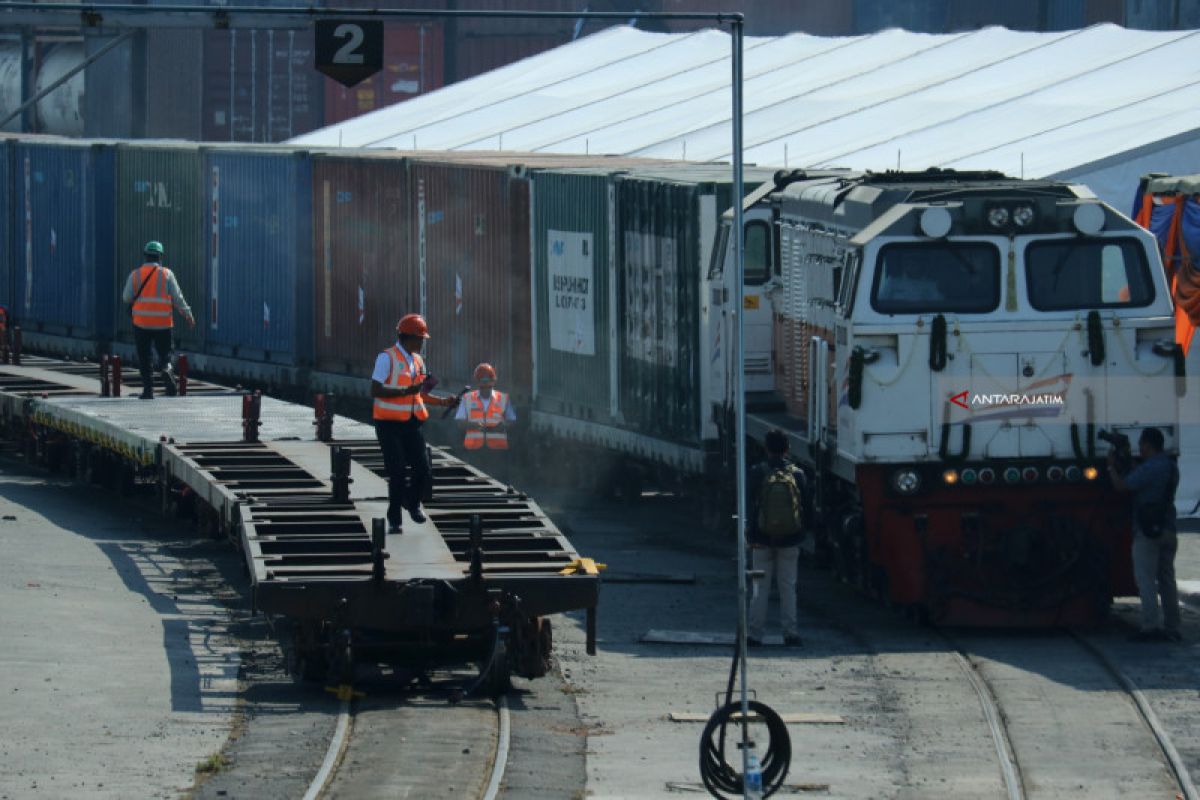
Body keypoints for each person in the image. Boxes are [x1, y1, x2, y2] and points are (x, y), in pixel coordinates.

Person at [372, 314, 458, 533]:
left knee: (423, 469)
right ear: (407, 337)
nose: (422, 343)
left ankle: (412, 503)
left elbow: (420, 394)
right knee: (397, 471)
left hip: (412, 422)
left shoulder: (418, 361)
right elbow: (375, 389)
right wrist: (404, 391)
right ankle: (395, 519)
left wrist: (442, 401)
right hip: (388, 424)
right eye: (419, 339)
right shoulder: (386, 358)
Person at [1107, 427, 1181, 642]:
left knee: (1146, 579)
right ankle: (1172, 626)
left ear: (1148, 445)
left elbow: (1122, 487)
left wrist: (1112, 467)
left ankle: (1150, 626)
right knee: (1167, 579)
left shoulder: (1149, 469)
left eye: (1141, 444)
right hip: (1168, 528)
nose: (1140, 447)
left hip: (1147, 532)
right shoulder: (1170, 467)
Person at [747, 429, 811, 647]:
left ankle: (755, 634)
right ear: (787, 449)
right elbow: (806, 510)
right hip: (790, 540)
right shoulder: (798, 474)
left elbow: (749, 507)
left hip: (761, 540)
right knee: (788, 587)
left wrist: (751, 535)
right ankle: (790, 633)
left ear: (766, 448)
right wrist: (801, 534)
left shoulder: (756, 472)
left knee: (758, 588)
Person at [121, 240, 195, 399]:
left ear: (145, 256)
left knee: (145, 356)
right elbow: (178, 298)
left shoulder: (136, 274)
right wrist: (188, 315)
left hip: (142, 323)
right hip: (163, 323)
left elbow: (126, 297)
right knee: (166, 353)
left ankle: (148, 391)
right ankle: (167, 368)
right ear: (160, 257)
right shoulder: (167, 274)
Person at [456, 363, 517, 482]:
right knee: (475, 482)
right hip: (475, 451)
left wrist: (503, 426)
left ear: (494, 381)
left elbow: (512, 420)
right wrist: (474, 425)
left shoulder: (503, 398)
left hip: (497, 452)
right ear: (477, 382)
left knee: (499, 482)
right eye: (482, 382)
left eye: (488, 382)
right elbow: (460, 422)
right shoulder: (467, 398)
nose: (485, 385)